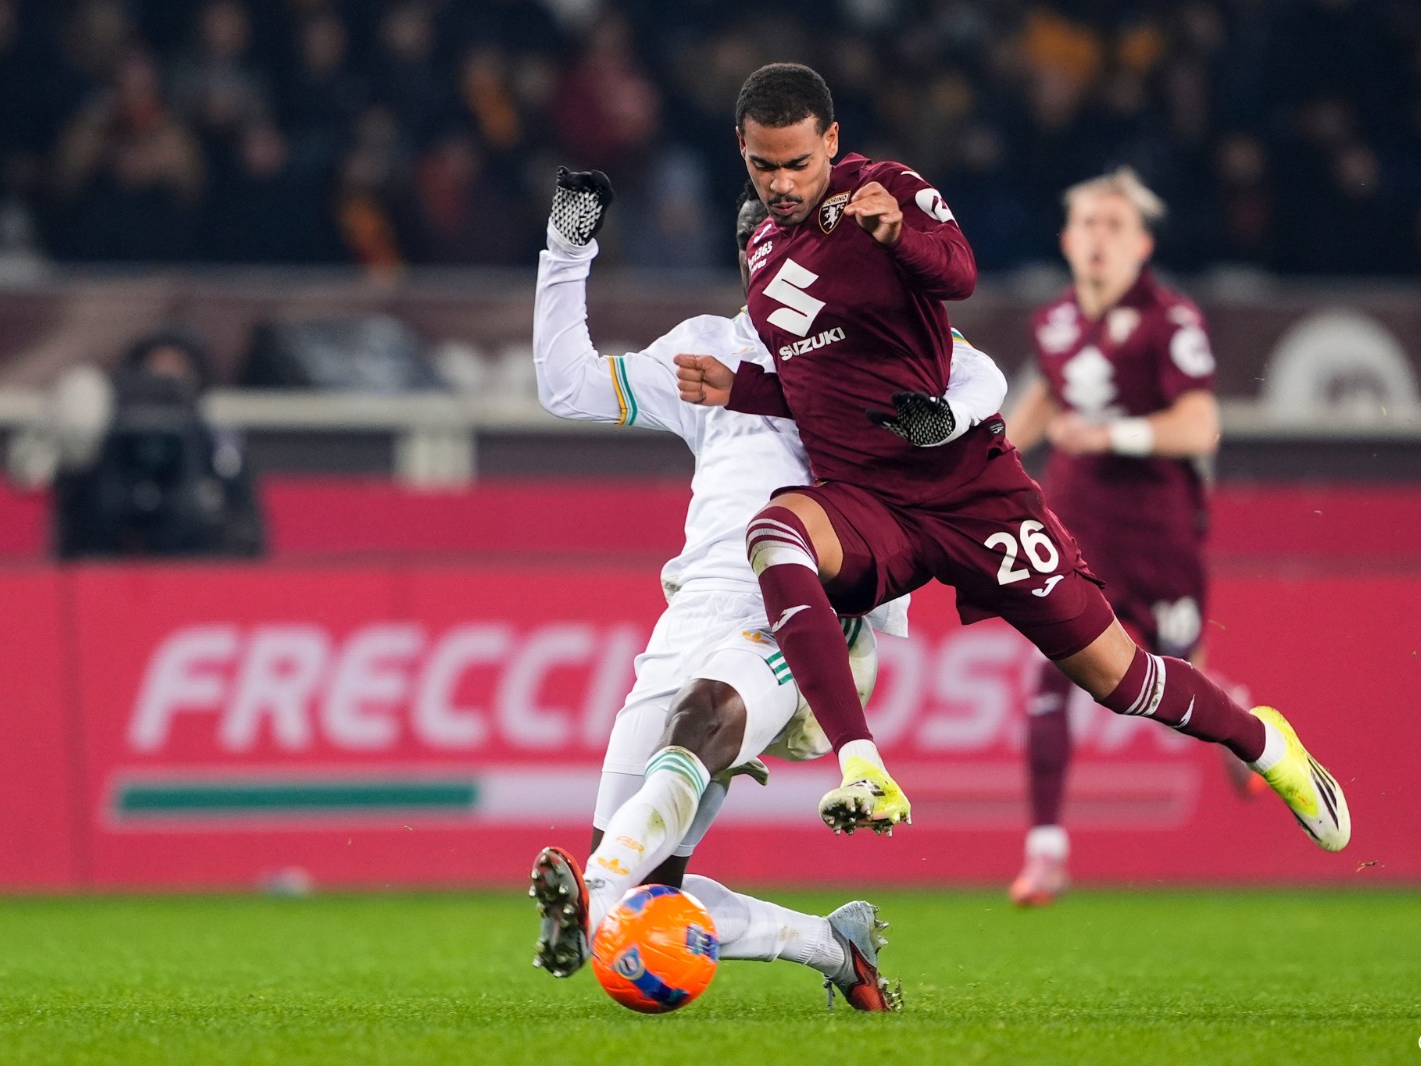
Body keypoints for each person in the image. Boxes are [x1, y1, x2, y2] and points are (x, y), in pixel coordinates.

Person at [673, 63, 1350, 855]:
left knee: (1119, 677)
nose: (782, 183)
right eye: (765, 165)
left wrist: (897, 236)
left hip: (969, 489)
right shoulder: (759, 246)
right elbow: (819, 383)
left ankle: (1265, 744)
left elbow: (959, 272)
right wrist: (744, 388)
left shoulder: (885, 190)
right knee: (775, 532)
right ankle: (864, 767)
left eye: (797, 162)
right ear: (741, 148)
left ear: (831, 140)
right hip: (870, 503)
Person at [526, 169, 1009, 1009]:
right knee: (647, 900)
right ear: (750, 258)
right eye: (769, 245)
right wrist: (568, 249)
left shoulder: (883, 341)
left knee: (696, 729)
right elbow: (566, 385)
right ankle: (831, 944)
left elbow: (983, 376)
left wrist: (945, 420)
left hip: (806, 609)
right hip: (692, 611)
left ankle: (595, 882)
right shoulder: (709, 347)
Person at [1003, 167, 1232, 905]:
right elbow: (1044, 398)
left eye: (1115, 226)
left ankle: (1239, 720)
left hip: (1157, 533)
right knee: (1050, 678)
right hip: (1074, 527)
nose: (1099, 239)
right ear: (1067, 241)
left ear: (1143, 246)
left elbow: (1200, 425)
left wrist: (1110, 435)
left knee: (1179, 686)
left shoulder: (1172, 321)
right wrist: (981, 459)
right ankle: (1046, 851)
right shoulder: (1054, 322)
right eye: (1088, 226)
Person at [52, 331, 264, 559]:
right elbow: (81, 509)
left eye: (177, 367)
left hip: (192, 557)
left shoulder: (213, 434)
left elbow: (240, 513)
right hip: (107, 559)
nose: (166, 378)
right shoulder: (104, 433)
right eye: (157, 367)